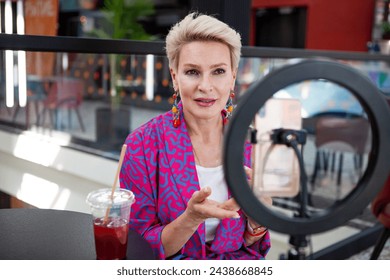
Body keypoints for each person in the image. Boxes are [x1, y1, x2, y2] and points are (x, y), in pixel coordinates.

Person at [120, 12, 271, 260]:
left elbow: (253, 243)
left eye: (218, 71)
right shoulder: (141, 146)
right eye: (192, 72)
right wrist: (191, 220)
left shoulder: (251, 143)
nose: (206, 86)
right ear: (175, 77)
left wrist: (258, 217)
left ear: (233, 77)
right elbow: (138, 250)